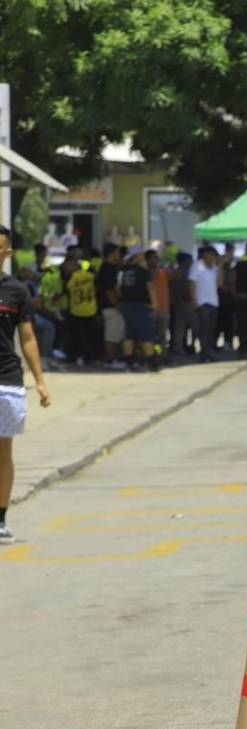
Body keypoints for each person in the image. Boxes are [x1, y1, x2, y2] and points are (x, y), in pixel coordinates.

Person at [0, 225, 52, 544]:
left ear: (6, 253)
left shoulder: (17, 291)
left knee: (3, 453)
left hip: (6, 381)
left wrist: (41, 382)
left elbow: (28, 338)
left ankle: (1, 519)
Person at [118, 249, 158, 371]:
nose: (143, 257)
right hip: (140, 305)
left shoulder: (123, 272)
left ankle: (128, 362)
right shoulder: (143, 272)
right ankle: (151, 363)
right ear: (136, 257)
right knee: (146, 333)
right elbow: (150, 288)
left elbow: (118, 288)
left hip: (126, 305)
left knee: (129, 333)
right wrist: (154, 304)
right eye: (141, 255)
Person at [63, 254, 98, 366]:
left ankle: (76, 356)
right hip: (90, 308)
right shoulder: (91, 276)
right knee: (89, 334)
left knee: (76, 335)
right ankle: (90, 356)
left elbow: (67, 289)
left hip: (76, 309)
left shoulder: (73, 277)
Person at [97, 243, 126, 369]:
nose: (119, 256)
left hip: (108, 305)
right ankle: (111, 360)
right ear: (113, 253)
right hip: (110, 306)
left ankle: (113, 358)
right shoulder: (109, 269)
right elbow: (109, 290)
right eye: (118, 252)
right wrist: (117, 304)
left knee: (116, 333)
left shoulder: (106, 267)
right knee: (112, 334)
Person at [191, 246, 221, 363]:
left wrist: (220, 267)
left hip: (213, 301)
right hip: (202, 301)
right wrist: (193, 300)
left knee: (211, 329)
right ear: (206, 255)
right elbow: (191, 283)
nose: (213, 258)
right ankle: (204, 354)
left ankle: (209, 352)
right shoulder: (197, 266)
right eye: (212, 255)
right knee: (204, 329)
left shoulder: (214, 268)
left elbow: (219, 284)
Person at [169, 252, 197, 359]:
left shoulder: (175, 271)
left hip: (177, 302)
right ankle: (203, 346)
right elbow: (187, 286)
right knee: (196, 325)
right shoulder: (187, 271)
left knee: (179, 326)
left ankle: (178, 348)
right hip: (187, 301)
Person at [147, 250, 172, 357]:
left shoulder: (164, 273)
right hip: (151, 309)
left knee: (162, 335)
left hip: (164, 309)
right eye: (153, 258)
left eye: (156, 258)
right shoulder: (145, 273)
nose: (156, 260)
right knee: (151, 335)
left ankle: (164, 355)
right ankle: (152, 355)